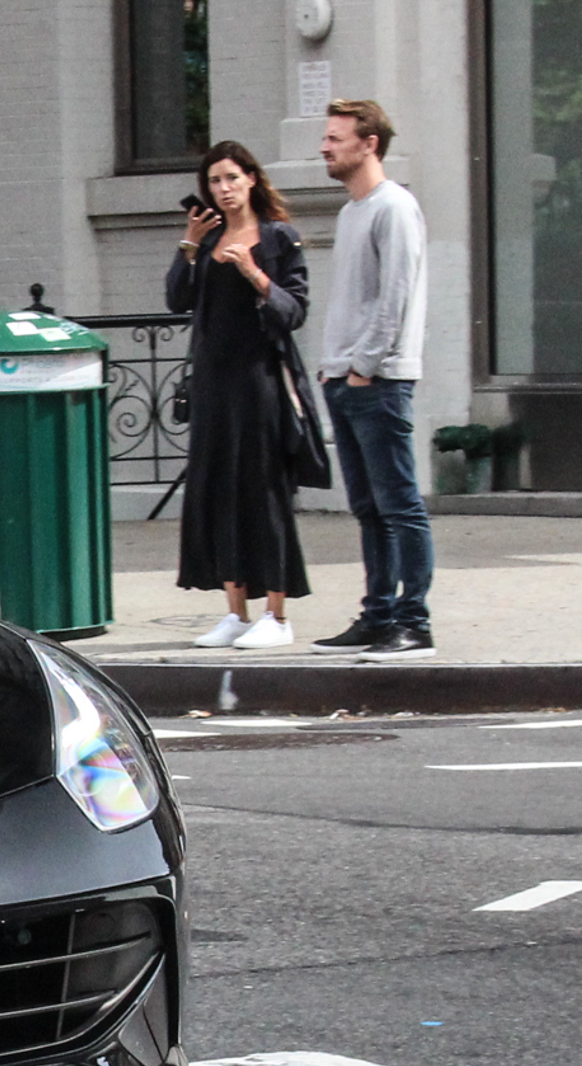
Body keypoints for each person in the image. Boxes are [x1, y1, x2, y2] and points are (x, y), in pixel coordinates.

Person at [168, 141, 313, 648]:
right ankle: (235, 608)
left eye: (231, 178)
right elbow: (176, 300)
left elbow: (293, 309)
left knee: (262, 491)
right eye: (214, 182)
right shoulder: (206, 239)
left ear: (251, 179)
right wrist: (189, 245)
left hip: (260, 382)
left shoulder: (278, 238)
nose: (223, 190)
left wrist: (252, 271)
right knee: (218, 490)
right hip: (213, 383)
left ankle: (275, 614)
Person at [310, 98, 436, 657]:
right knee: (368, 509)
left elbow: (395, 298)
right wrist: (334, 367)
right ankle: (378, 614)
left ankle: (414, 620)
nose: (325, 146)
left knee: (400, 505)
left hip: (379, 381)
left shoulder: (394, 207)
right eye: (326, 137)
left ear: (369, 144)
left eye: (336, 138)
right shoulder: (350, 211)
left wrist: (362, 368)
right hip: (345, 379)